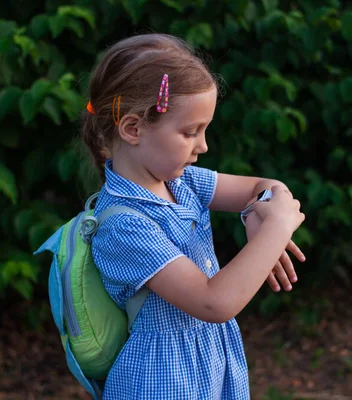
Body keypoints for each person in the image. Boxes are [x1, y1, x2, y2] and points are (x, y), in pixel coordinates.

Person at [80, 33, 305, 400]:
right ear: (133, 128)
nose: (202, 146)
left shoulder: (183, 182)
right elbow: (213, 302)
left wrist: (254, 213)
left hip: (205, 367)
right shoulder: (124, 224)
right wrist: (276, 227)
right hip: (160, 382)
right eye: (190, 132)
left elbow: (267, 188)